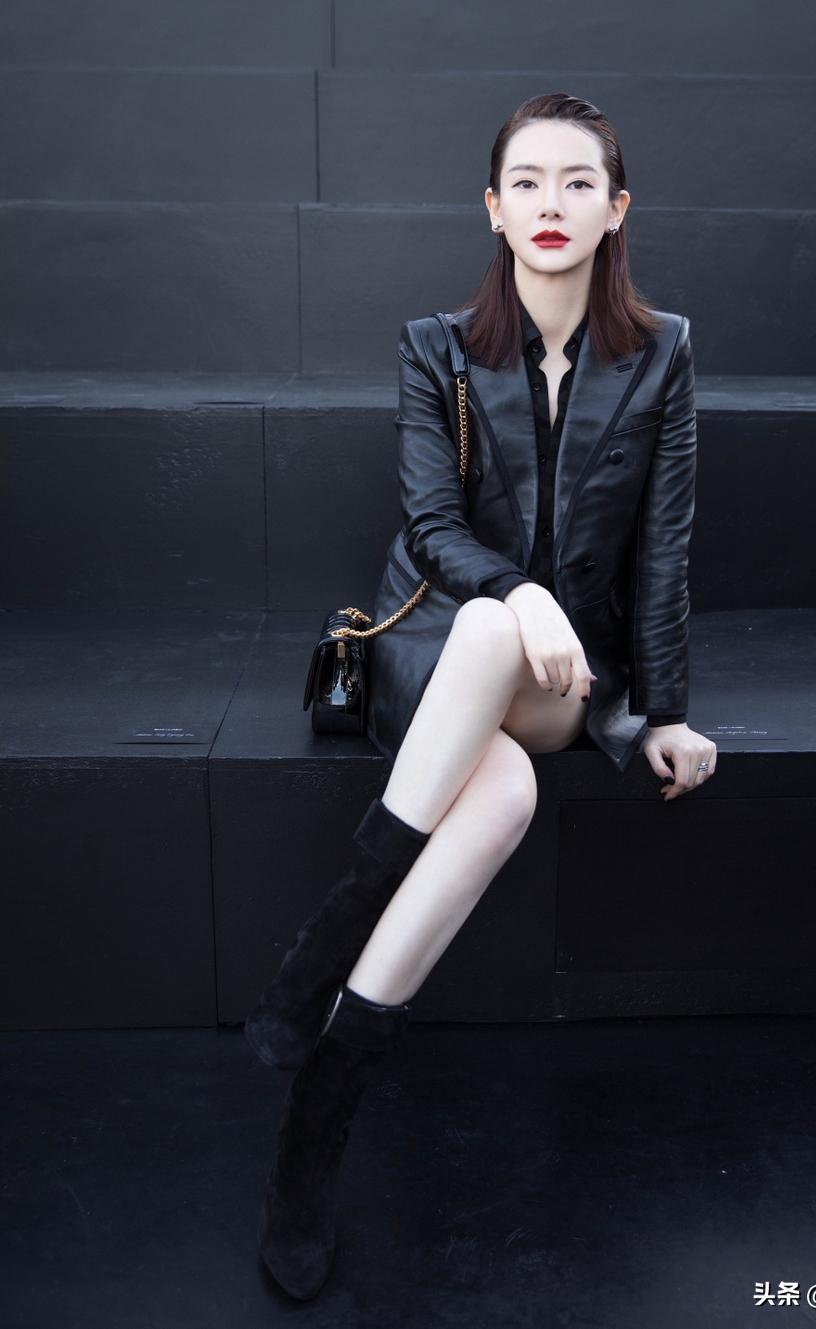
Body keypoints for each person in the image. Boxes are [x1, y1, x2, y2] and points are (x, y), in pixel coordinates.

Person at [247, 91, 718, 1300]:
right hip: (439, 649)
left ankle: (323, 949)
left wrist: (664, 711)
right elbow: (430, 525)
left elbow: (662, 547)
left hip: (561, 676)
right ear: (494, 210)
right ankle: (322, 1109)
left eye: (577, 182)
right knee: (500, 794)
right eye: (526, 182)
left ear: (616, 210)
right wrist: (520, 594)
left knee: (516, 654)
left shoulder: (660, 353)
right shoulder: (436, 346)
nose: (550, 204)